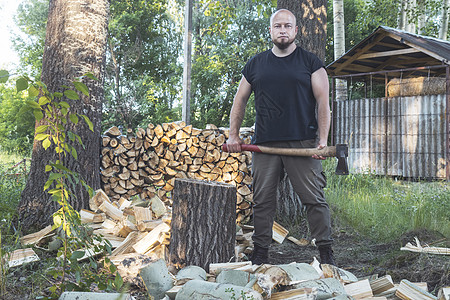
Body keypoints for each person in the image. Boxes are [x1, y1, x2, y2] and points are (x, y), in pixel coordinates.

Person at [226, 8, 335, 266]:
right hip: (264, 144)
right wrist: (233, 135)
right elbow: (239, 100)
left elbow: (323, 102)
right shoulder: (255, 64)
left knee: (314, 199)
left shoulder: (311, 63)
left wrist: (322, 140)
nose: (283, 30)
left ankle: (326, 253)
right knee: (262, 201)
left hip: (303, 143)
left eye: (288, 26)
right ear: (271, 31)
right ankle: (261, 252)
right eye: (278, 26)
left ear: (296, 31)